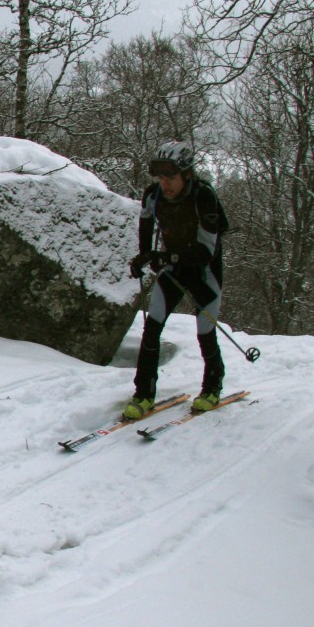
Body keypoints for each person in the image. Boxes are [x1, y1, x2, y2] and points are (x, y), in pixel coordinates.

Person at [125, 141, 226, 419]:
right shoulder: (153, 195)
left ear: (187, 175)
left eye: (171, 178)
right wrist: (144, 256)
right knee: (152, 328)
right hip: (173, 267)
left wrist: (166, 258)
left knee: (205, 332)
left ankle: (212, 386)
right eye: (161, 178)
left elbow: (206, 251)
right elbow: (145, 222)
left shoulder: (204, 198)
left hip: (205, 273)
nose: (165, 184)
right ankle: (143, 394)